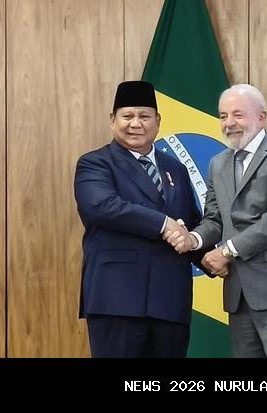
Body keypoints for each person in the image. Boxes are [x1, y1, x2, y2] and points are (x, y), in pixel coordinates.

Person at [165, 84, 267, 358]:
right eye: (223, 116)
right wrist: (194, 239)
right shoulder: (218, 163)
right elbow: (215, 219)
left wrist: (226, 251)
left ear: (262, 117)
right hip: (239, 294)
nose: (229, 123)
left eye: (238, 114)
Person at [74, 80, 201, 357]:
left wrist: (214, 255)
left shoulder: (176, 169)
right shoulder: (95, 163)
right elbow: (103, 206)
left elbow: (191, 223)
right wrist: (164, 224)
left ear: (158, 121)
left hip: (170, 302)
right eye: (127, 116)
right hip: (118, 300)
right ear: (112, 120)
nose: (136, 124)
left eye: (144, 116)